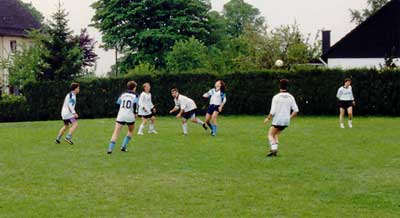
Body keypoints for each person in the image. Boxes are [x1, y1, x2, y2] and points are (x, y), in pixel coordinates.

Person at [264, 79, 299, 157]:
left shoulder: (276, 97)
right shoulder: (291, 97)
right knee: (276, 135)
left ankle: (274, 149)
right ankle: (275, 151)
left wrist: (268, 118)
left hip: (277, 120)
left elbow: (272, 112)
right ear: (287, 87)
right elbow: (296, 111)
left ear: (279, 86)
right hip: (286, 121)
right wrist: (289, 118)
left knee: (270, 135)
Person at [107, 81, 139, 154]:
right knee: (131, 130)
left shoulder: (123, 94)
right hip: (130, 115)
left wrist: (121, 110)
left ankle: (110, 149)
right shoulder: (136, 95)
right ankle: (123, 147)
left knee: (116, 132)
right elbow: (134, 104)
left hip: (121, 115)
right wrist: (135, 113)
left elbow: (118, 103)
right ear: (134, 88)